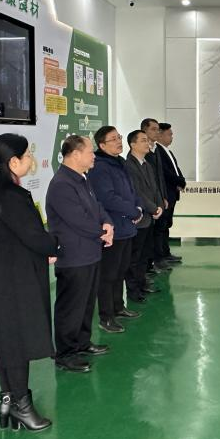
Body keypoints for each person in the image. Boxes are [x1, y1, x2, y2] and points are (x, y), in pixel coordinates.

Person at [0, 133, 57, 432]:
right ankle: (22, 405)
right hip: (18, 280)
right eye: (27, 155)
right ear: (13, 162)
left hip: (3, 278)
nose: (31, 160)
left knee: (6, 339)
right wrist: (55, 245)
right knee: (18, 341)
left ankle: (8, 400)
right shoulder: (11, 196)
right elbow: (34, 236)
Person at [46, 135, 114, 373]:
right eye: (90, 152)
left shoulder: (82, 178)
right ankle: (65, 354)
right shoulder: (61, 184)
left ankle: (82, 343)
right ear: (75, 154)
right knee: (71, 307)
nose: (94, 156)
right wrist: (102, 233)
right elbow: (78, 220)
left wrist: (107, 223)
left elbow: (97, 207)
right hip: (74, 256)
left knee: (86, 304)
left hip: (90, 253)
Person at [88, 126, 144, 333]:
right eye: (113, 139)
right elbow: (107, 198)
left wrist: (138, 208)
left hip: (126, 226)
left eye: (119, 137)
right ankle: (106, 317)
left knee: (120, 271)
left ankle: (118, 307)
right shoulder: (99, 167)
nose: (119, 141)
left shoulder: (120, 162)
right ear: (102, 145)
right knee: (108, 275)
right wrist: (133, 211)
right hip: (112, 229)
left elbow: (132, 191)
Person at [124, 130, 164, 304]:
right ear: (133, 144)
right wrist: (153, 209)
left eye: (147, 140)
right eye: (143, 140)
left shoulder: (146, 164)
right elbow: (137, 192)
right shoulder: (128, 166)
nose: (147, 143)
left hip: (150, 217)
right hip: (139, 218)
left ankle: (142, 283)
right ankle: (133, 290)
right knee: (135, 257)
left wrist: (159, 206)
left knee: (144, 255)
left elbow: (154, 189)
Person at [141, 118, 171, 274]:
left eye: (158, 129)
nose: (157, 132)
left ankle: (157, 260)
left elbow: (160, 177)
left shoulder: (156, 150)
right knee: (149, 234)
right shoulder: (142, 154)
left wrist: (163, 196)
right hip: (148, 202)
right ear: (144, 130)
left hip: (159, 198)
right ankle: (149, 264)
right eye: (153, 129)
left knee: (159, 230)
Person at [155, 122, 185, 265]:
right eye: (169, 134)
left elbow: (176, 169)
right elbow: (166, 173)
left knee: (166, 225)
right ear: (160, 135)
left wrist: (181, 180)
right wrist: (179, 181)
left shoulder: (168, 151)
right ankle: (159, 257)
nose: (172, 137)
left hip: (172, 194)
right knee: (161, 227)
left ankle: (166, 253)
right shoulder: (158, 152)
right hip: (165, 194)